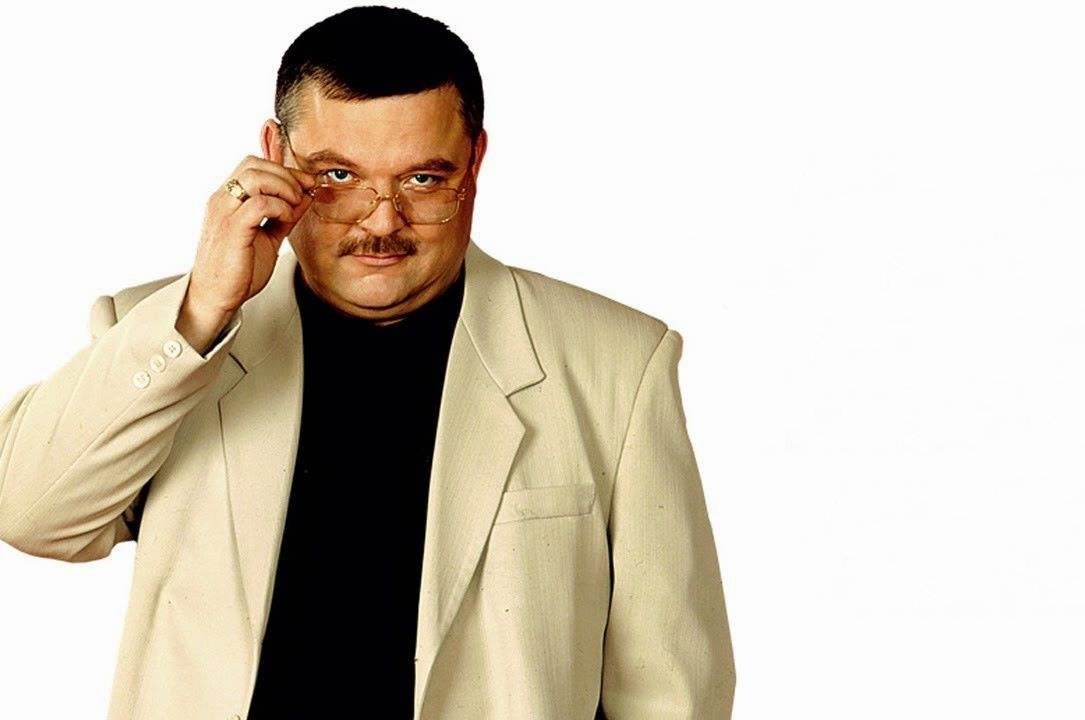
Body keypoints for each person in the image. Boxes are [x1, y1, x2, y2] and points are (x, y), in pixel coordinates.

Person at [0, 6, 735, 719]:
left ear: (475, 162)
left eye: (423, 179)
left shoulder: (616, 363)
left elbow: (671, 691)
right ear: (275, 156)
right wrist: (198, 314)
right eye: (338, 177)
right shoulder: (167, 334)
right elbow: (28, 514)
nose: (382, 222)